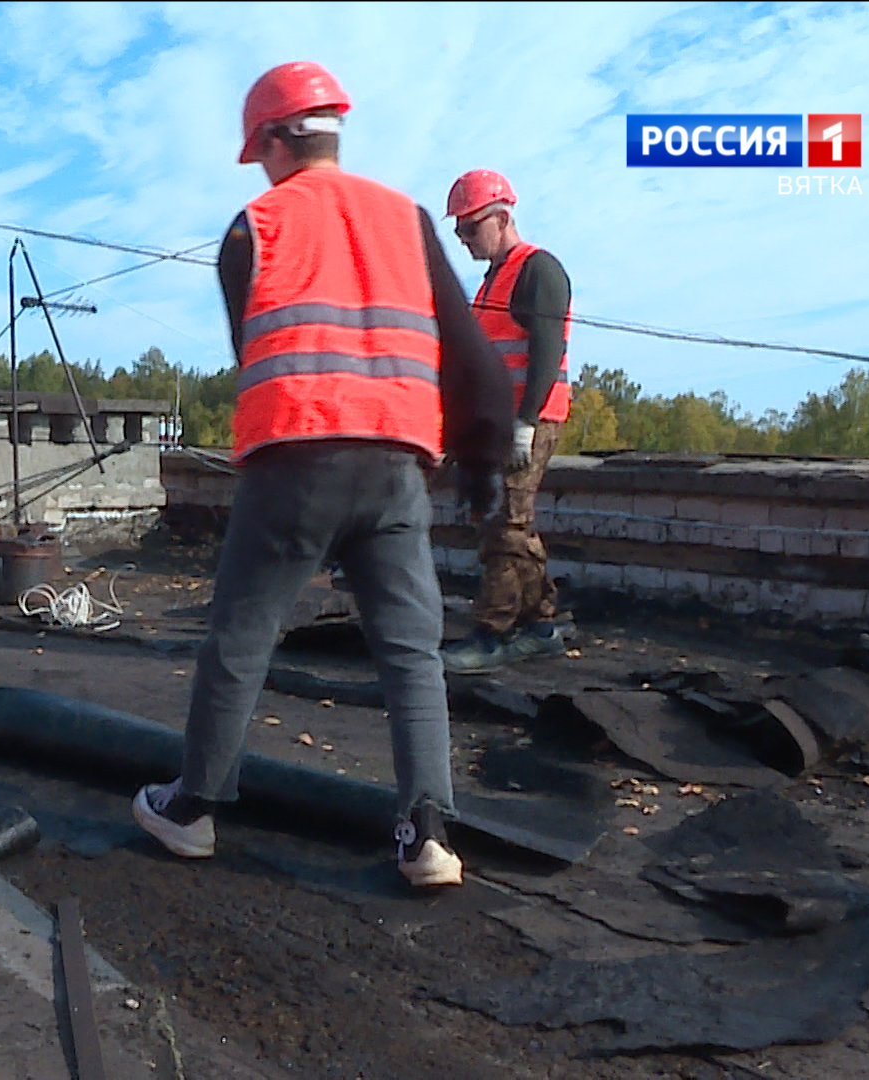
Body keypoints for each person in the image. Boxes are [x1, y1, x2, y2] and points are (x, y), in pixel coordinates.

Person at [131, 62, 511, 887]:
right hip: (398, 468)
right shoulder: (406, 219)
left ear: (271, 141)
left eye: (257, 152)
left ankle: (191, 812)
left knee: (241, 635)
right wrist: (483, 453)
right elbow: (471, 350)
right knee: (412, 654)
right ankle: (429, 835)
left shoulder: (252, 228)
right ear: (332, 130)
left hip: (295, 460)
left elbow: (252, 351)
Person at [439, 170, 574, 674]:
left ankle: (491, 633)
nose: (463, 240)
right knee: (510, 524)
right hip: (502, 422)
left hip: (529, 419)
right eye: (458, 232)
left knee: (504, 523)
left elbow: (545, 350)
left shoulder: (537, 270)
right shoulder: (494, 280)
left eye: (470, 229)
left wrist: (526, 423)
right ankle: (540, 624)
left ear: (502, 218)